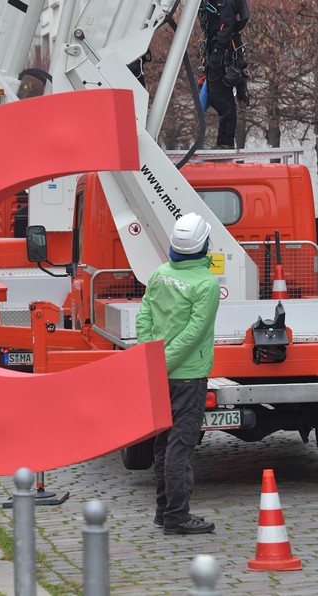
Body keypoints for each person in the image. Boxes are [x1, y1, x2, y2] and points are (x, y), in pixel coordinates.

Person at [136, 213, 220, 535]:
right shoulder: (206, 284)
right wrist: (164, 362)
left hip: (160, 374)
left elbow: (144, 315)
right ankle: (177, 516)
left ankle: (163, 511)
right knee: (180, 446)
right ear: (204, 246)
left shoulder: (159, 274)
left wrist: (151, 357)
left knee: (162, 444)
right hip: (188, 377)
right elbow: (193, 335)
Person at [199, 0, 250, 149]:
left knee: (221, 98)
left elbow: (227, 25)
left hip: (223, 53)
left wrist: (218, 50)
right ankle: (223, 141)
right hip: (216, 51)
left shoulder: (225, 2)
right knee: (215, 95)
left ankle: (226, 142)